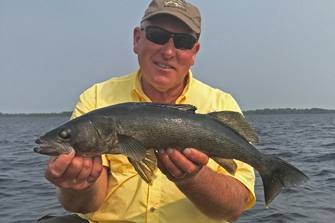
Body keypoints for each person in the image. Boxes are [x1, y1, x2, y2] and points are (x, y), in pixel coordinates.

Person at [37, 0, 256, 222]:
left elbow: (234, 209)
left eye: (183, 42)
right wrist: (77, 187)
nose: (169, 51)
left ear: (194, 53)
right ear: (137, 40)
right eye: (157, 36)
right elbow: (86, 204)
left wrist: (193, 178)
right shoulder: (96, 98)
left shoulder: (222, 103)